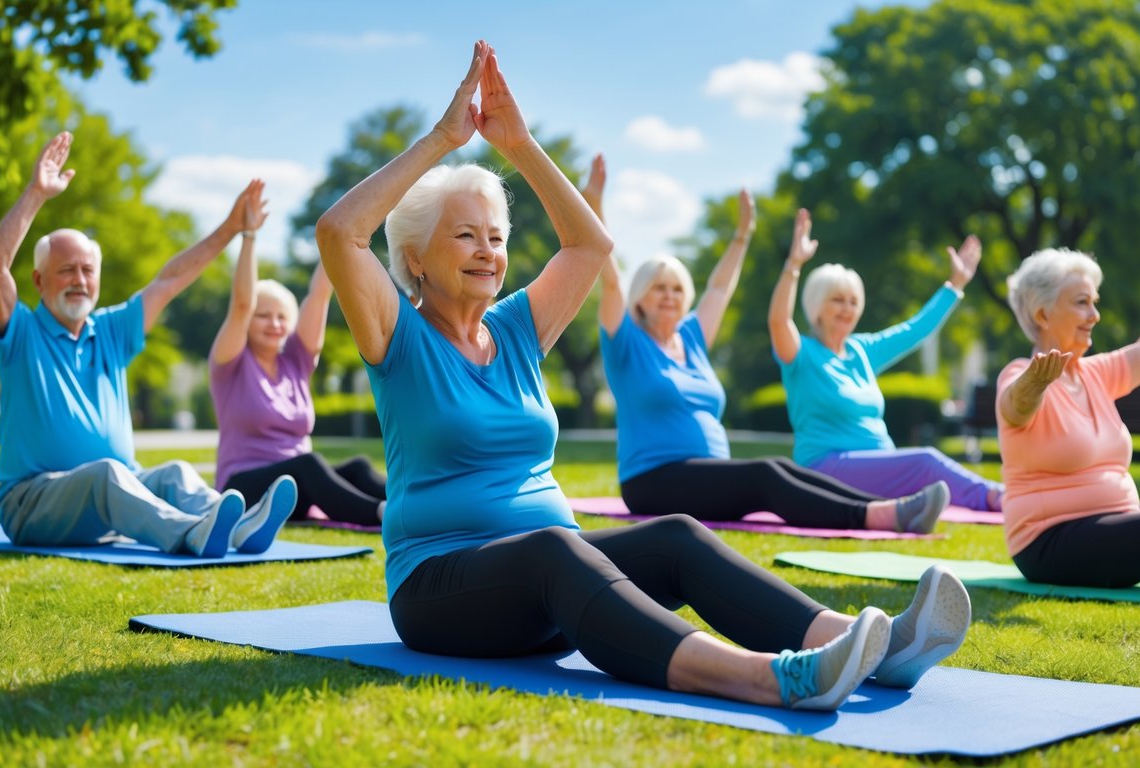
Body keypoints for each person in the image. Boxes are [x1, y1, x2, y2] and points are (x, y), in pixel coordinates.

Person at [315, 41, 970, 710]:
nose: (487, 250)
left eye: (496, 236)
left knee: (676, 536)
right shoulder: (396, 333)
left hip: (549, 588)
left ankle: (881, 646)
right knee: (555, 549)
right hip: (442, 590)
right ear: (416, 259)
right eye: (464, 236)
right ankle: (770, 677)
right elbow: (340, 231)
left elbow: (590, 245)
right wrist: (443, 140)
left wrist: (517, 144)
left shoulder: (514, 329)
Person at [0, 132, 297, 558]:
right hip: (32, 502)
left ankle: (238, 526)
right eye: (67, 270)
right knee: (107, 473)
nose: (80, 280)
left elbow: (170, 280)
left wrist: (232, 229)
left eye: (88, 270)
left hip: (115, 491)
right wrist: (37, 193)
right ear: (38, 280)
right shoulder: (21, 333)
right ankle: (192, 532)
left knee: (174, 474)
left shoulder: (110, 331)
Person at [588, 155, 950, 534]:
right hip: (653, 480)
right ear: (640, 297)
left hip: (708, 474)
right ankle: (877, 517)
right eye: (659, 288)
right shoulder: (625, 341)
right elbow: (610, 280)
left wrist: (742, 235)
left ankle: (884, 507)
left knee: (783, 468)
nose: (669, 296)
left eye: (677, 288)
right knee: (765, 475)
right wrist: (595, 205)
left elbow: (719, 288)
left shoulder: (691, 338)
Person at [996, 248, 1140, 589]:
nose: (1094, 315)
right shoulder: (1019, 375)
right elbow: (1015, 407)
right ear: (1042, 313)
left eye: (1095, 302)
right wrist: (1034, 384)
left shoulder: (1094, 374)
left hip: (1114, 517)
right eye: (1081, 302)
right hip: (1048, 542)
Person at [768, 209, 1004, 511]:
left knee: (928, 472)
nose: (847, 309)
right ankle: (995, 498)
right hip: (824, 468)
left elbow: (915, 330)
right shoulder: (801, 353)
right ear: (816, 306)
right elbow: (778, 321)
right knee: (926, 461)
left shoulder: (862, 350)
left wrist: (954, 285)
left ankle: (916, 508)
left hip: (878, 466)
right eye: (837, 300)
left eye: (854, 301)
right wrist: (794, 265)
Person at [208, 181, 386, 527]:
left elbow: (319, 294)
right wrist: (248, 237)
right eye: (263, 315)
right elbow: (241, 304)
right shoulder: (230, 364)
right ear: (248, 321)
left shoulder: (296, 361)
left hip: (299, 488)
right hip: (245, 489)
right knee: (308, 465)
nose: (274, 323)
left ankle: (420, 503)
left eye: (281, 317)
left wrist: (345, 230)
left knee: (359, 468)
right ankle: (383, 515)